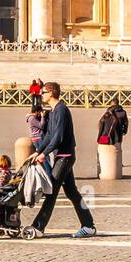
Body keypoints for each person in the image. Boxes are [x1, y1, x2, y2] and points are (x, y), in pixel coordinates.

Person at [28, 81, 96, 238]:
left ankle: (38, 227)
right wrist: (38, 150)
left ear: (51, 93)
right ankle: (88, 225)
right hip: (61, 156)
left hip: (65, 157)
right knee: (72, 193)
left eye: (43, 92)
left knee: (51, 192)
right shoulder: (52, 111)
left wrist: (45, 154)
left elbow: (58, 137)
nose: (41, 95)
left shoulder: (61, 110)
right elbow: (48, 136)